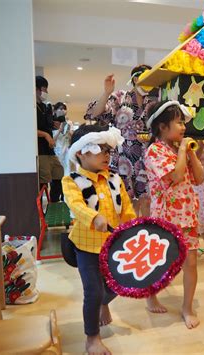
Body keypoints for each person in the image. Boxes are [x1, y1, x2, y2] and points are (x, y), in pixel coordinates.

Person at [62, 124, 135, 355]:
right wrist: (94, 217)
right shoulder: (71, 180)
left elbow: (126, 208)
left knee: (118, 284)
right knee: (93, 290)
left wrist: (132, 227)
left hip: (113, 245)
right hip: (85, 247)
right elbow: (76, 205)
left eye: (108, 150)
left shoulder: (114, 178)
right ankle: (92, 338)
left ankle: (103, 303)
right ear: (81, 153)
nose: (107, 155)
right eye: (100, 150)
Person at [145, 100, 204, 329]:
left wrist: (191, 154)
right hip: (166, 218)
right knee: (161, 262)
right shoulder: (155, 151)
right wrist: (182, 151)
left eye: (183, 123)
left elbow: (199, 178)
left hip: (188, 216)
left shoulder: (180, 148)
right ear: (162, 127)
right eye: (179, 123)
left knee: (191, 263)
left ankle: (187, 308)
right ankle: (151, 295)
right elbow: (177, 176)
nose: (183, 127)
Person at [85, 65, 157, 217]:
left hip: (147, 156)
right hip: (122, 156)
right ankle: (129, 234)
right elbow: (95, 114)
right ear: (136, 79)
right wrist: (107, 92)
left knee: (146, 199)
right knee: (126, 199)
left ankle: (145, 232)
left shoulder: (153, 101)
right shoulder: (120, 97)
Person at [36, 76, 64, 202]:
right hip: (40, 150)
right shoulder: (31, 107)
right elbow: (29, 130)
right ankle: (43, 207)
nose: (45, 92)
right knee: (44, 179)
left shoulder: (45, 107)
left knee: (59, 172)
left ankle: (54, 201)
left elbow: (46, 125)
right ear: (36, 89)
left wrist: (54, 124)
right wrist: (46, 136)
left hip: (50, 150)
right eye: (44, 89)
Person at [53, 102, 74, 176]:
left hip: (66, 149)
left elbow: (73, 137)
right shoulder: (52, 122)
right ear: (55, 110)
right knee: (57, 172)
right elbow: (52, 140)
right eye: (61, 109)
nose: (63, 111)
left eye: (65, 109)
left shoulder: (69, 123)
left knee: (67, 170)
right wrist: (59, 130)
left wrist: (68, 130)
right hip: (56, 150)